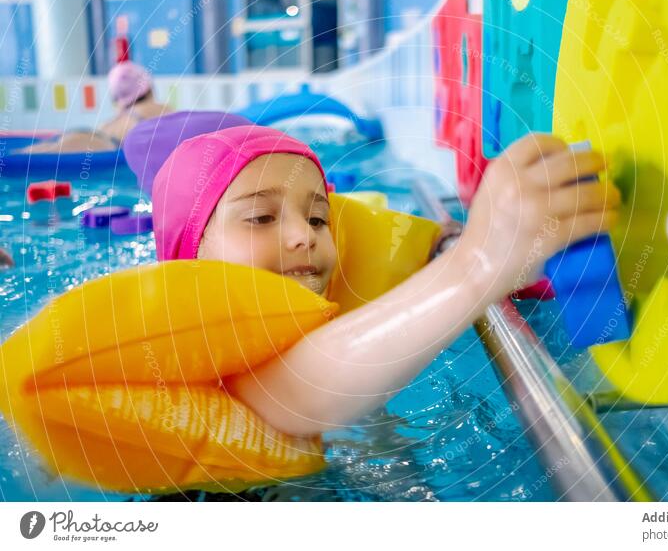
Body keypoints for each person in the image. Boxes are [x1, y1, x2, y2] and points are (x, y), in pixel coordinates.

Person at [152, 125, 620, 438]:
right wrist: (479, 260)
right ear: (187, 254)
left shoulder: (335, 323)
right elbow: (286, 395)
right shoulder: (195, 366)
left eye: (318, 219)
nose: (303, 236)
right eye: (259, 217)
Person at [22, 62, 173, 154]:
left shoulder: (122, 116)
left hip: (89, 135)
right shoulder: (160, 109)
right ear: (149, 88)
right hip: (103, 145)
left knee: (31, 154)